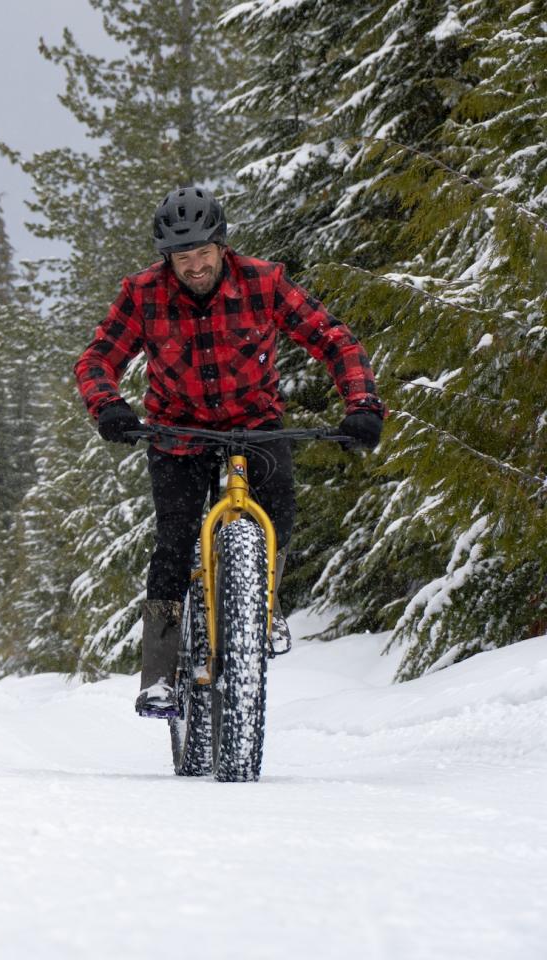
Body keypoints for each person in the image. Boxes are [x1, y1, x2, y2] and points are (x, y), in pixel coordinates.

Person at [74, 186, 385, 718]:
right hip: (177, 430)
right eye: (182, 257)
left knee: (278, 513)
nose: (194, 266)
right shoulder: (143, 294)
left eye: (203, 252)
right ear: (166, 259)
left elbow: (333, 339)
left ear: (222, 246)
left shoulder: (264, 282)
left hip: (254, 423)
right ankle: (159, 675)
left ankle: (260, 607)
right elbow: (97, 359)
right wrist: (109, 406)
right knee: (174, 541)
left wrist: (362, 404)